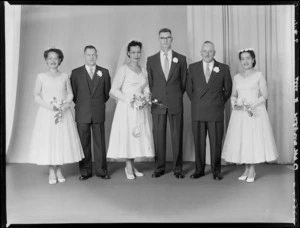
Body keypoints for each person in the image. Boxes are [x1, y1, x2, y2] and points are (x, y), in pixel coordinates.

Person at [29, 47, 84, 184]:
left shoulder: (64, 76)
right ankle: (51, 171)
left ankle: (59, 169)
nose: (53, 61)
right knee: (49, 140)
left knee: (61, 140)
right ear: (46, 60)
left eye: (56, 58)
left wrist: (65, 104)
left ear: (60, 60)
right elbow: (36, 96)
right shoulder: (41, 76)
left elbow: (70, 93)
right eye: (50, 58)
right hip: (47, 113)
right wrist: (50, 107)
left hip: (62, 112)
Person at [221, 48, 278, 183]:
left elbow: (265, 95)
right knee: (243, 139)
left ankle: (252, 169)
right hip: (240, 113)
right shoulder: (236, 77)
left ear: (253, 60)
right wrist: (234, 102)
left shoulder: (259, 75)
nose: (245, 61)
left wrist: (253, 104)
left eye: (248, 58)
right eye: (242, 59)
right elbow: (234, 95)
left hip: (254, 112)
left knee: (252, 139)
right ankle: (246, 169)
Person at [107, 40, 155, 180]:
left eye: (138, 52)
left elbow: (146, 88)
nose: (136, 54)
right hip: (126, 108)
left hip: (139, 108)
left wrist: (145, 97)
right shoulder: (123, 69)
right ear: (128, 53)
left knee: (136, 135)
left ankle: (132, 165)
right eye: (133, 52)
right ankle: (128, 167)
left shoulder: (143, 70)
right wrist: (130, 99)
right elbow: (114, 90)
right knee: (128, 135)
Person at [186, 41, 232, 180]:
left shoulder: (223, 68)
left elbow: (228, 90)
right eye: (204, 51)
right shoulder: (193, 67)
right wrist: (198, 102)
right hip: (198, 111)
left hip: (215, 112)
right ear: (201, 52)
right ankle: (199, 170)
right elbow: (189, 89)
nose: (207, 53)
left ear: (214, 53)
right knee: (199, 143)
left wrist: (217, 102)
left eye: (210, 51)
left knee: (216, 143)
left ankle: (216, 171)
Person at [146, 28, 187, 179]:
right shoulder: (151, 60)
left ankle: (178, 168)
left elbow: (183, 83)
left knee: (177, 136)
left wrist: (174, 95)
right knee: (158, 136)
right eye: (162, 38)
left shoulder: (181, 59)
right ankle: (159, 168)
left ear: (172, 39)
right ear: (159, 39)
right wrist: (159, 95)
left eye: (168, 37)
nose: (165, 40)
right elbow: (151, 83)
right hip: (158, 103)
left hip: (175, 102)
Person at [70, 45, 111, 181]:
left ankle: (101, 171)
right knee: (83, 144)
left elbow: (106, 93)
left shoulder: (104, 72)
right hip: (82, 112)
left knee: (100, 143)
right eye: (89, 55)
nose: (91, 57)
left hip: (98, 111)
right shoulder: (75, 73)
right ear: (84, 56)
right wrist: (84, 105)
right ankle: (85, 172)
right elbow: (74, 94)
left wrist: (96, 105)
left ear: (97, 55)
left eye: (94, 54)